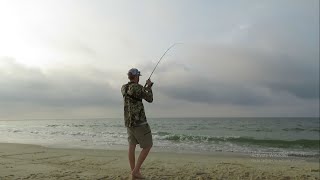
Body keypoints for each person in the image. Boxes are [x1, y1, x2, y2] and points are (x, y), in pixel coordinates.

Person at [121, 68, 154, 179]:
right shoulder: (138, 87)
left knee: (132, 146)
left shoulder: (123, 88)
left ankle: (133, 171)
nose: (139, 77)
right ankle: (135, 171)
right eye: (138, 76)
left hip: (129, 122)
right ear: (136, 76)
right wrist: (148, 87)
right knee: (148, 145)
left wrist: (144, 88)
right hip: (139, 122)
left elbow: (135, 95)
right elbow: (149, 99)